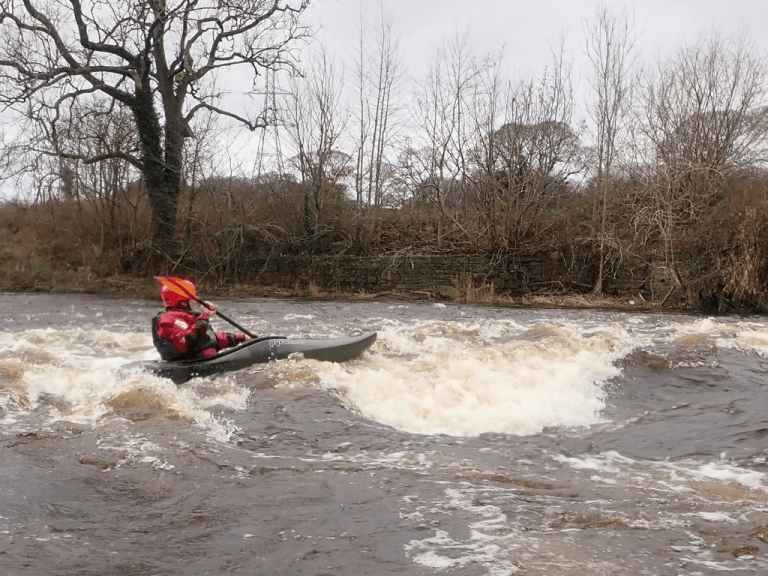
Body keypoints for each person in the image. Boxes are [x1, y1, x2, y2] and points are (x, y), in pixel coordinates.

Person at [152, 279, 249, 362]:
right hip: (188, 363)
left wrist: (237, 338)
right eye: (191, 297)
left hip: (203, 360)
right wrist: (204, 317)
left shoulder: (188, 316)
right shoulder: (167, 320)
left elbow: (207, 340)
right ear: (181, 300)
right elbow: (185, 342)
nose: (195, 300)